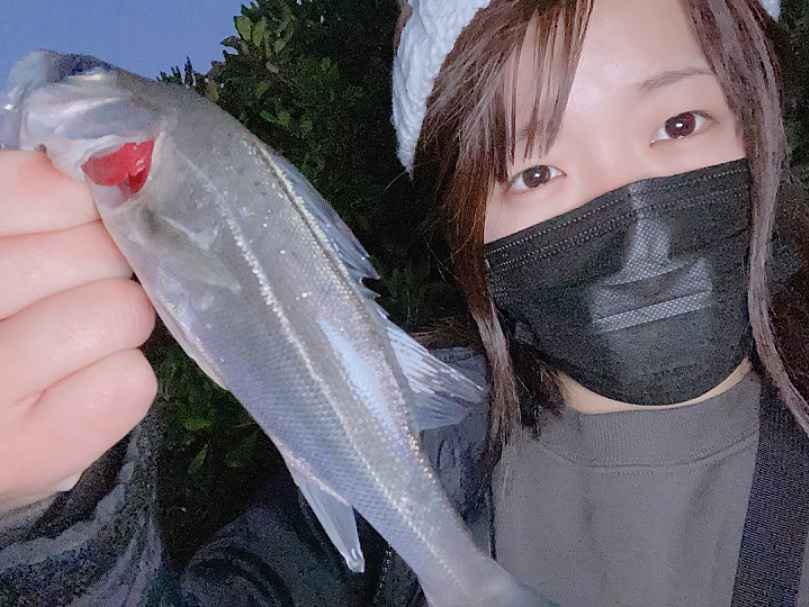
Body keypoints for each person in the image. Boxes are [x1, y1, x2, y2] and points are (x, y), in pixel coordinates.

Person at [1, 0, 807, 605]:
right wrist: (48, 512)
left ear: (760, 119)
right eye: (534, 172)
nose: (627, 203)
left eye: (678, 122)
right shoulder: (405, 454)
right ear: (468, 226)